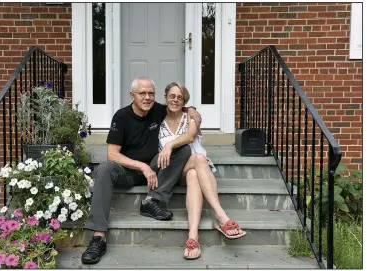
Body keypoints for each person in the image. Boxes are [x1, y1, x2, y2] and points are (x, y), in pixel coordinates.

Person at [81, 77, 202, 264]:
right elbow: (112, 154)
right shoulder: (121, 117)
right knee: (104, 168)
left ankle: (152, 201)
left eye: (151, 93)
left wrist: (192, 110)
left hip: (155, 169)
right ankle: (98, 237)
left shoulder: (157, 110)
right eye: (142, 93)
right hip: (128, 171)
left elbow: (178, 105)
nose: (147, 97)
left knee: (182, 148)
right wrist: (142, 166)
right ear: (132, 95)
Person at [157, 82, 246, 260]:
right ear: (165, 97)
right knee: (198, 159)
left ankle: (193, 236)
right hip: (174, 170)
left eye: (180, 97)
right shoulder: (157, 120)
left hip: (197, 169)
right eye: (172, 96)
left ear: (185, 102)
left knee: (193, 173)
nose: (175, 100)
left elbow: (190, 136)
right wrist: (166, 149)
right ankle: (221, 216)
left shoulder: (192, 117)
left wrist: (169, 145)